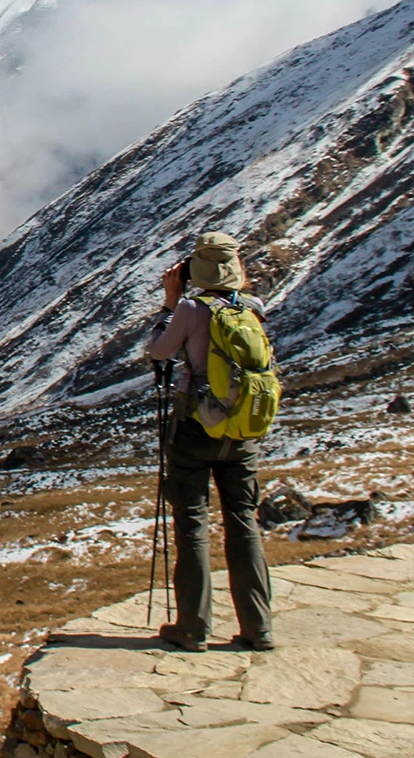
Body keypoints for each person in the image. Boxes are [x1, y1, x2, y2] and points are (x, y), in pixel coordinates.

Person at [146, 231, 275, 653]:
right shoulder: (252, 308)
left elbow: (159, 352)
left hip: (196, 427)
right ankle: (259, 627)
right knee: (243, 519)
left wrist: (169, 304)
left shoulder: (190, 309)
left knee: (192, 522)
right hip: (242, 430)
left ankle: (193, 627)